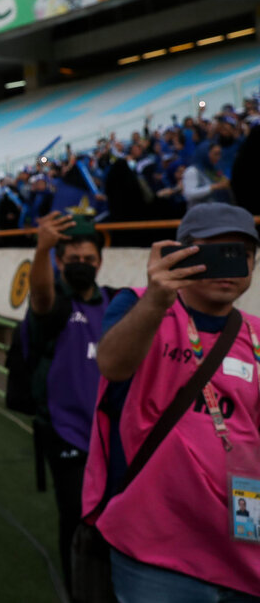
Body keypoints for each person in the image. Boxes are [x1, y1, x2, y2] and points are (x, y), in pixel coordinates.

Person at [86, 202, 260, 599]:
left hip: (243, 537)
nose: (230, 266)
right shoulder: (141, 305)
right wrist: (157, 301)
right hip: (155, 541)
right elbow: (112, 365)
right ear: (180, 254)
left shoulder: (256, 334)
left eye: (242, 256)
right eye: (213, 252)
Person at [23, 211, 114, 593]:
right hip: (67, 434)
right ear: (59, 262)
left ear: (100, 263)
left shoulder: (115, 304)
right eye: (72, 259)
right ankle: (79, 591)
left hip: (112, 439)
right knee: (77, 522)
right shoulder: (54, 304)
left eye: (88, 260)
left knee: (113, 522)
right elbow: (41, 296)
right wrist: (41, 250)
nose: (81, 266)